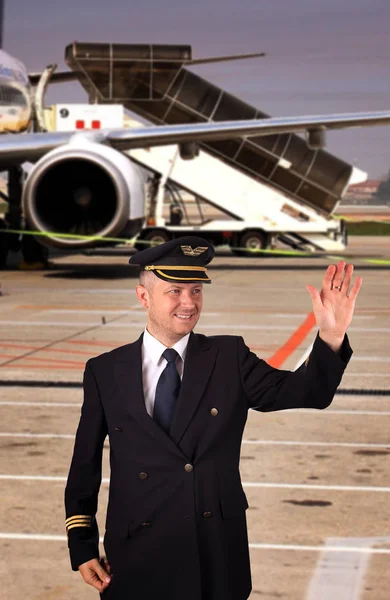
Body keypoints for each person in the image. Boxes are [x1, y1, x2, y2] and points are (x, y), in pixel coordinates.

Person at [64, 236, 362, 600]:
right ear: (144, 297)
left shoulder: (228, 357)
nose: (188, 303)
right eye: (174, 291)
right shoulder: (105, 371)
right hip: (136, 555)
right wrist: (82, 546)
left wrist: (331, 337)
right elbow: (84, 466)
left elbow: (307, 393)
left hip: (213, 555)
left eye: (196, 290)